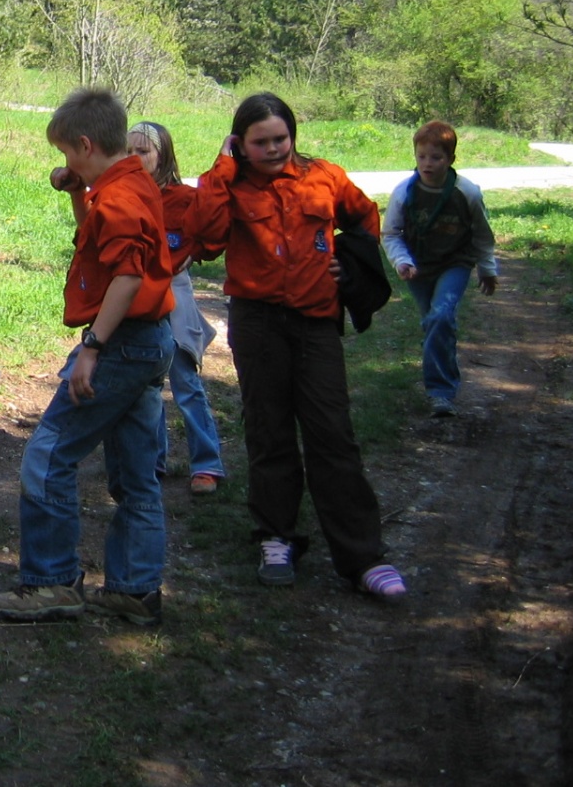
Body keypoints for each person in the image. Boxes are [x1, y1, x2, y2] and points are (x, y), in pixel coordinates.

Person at [188, 92, 407, 602]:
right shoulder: (231, 184)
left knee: (333, 434)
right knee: (269, 431)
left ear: (293, 135)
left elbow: (363, 217)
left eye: (280, 138)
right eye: (259, 142)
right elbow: (204, 236)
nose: (273, 149)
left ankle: (362, 557)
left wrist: (349, 265)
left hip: (314, 323)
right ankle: (276, 537)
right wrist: (222, 167)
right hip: (258, 323)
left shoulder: (324, 177)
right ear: (241, 144)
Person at [0, 88, 176, 627]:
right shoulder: (132, 180)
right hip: (151, 340)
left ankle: (51, 583)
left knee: (48, 457)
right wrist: (78, 191)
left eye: (70, 153)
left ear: (87, 143)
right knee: (135, 472)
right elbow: (98, 243)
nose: (66, 162)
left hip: (124, 343)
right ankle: (135, 589)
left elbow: (126, 274)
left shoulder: (118, 198)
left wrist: (92, 348)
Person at [127, 121, 227, 495]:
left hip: (173, 290)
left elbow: (209, 233)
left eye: (144, 151)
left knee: (185, 381)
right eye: (130, 151)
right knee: (145, 379)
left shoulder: (183, 198)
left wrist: (190, 255)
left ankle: (207, 464)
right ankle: (153, 460)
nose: (135, 158)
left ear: (162, 155)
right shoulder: (126, 194)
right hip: (136, 294)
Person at [381, 120, 499, 417]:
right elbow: (391, 233)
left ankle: (440, 393)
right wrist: (402, 261)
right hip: (418, 268)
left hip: (454, 263)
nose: (427, 163)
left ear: (450, 159)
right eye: (422, 156)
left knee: (442, 315)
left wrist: (487, 269)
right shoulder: (404, 192)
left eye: (436, 157)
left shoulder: (466, 193)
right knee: (432, 322)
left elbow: (482, 235)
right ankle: (442, 372)